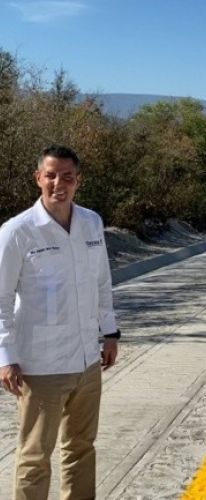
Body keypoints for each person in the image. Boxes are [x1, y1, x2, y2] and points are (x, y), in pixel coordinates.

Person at [0, 145, 121, 499]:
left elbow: (102, 281)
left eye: (67, 177)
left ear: (78, 181)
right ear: (38, 178)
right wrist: (5, 356)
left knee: (82, 448)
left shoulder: (91, 222)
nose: (58, 184)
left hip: (87, 360)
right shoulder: (17, 231)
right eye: (50, 175)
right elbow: (1, 299)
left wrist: (110, 333)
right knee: (36, 455)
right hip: (41, 366)